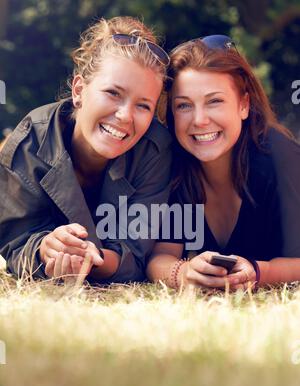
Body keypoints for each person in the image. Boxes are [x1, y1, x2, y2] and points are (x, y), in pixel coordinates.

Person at [0, 16, 172, 283]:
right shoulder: (30, 142)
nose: (125, 116)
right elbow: (14, 242)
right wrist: (45, 250)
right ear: (79, 90)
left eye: (143, 105)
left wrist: (92, 259)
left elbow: (137, 253)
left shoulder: (155, 151)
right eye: (113, 93)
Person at [146, 35, 300, 290]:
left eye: (214, 101)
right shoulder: (174, 162)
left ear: (243, 105)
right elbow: (160, 257)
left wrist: (259, 273)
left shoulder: (281, 159)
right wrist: (183, 272)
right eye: (184, 105)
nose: (200, 120)